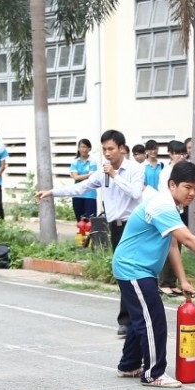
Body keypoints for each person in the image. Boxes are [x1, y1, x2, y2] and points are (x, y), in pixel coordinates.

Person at [113, 160, 195, 387]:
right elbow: (189, 241)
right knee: (154, 320)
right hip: (133, 268)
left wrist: (183, 280)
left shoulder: (170, 207)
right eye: (187, 187)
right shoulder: (161, 205)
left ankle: (129, 365)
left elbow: (172, 244)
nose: (192, 193)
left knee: (142, 318)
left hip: (140, 269)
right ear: (172, 185)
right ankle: (153, 374)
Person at [36, 128, 145, 336]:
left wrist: (114, 175)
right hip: (116, 227)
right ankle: (126, 320)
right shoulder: (102, 172)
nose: (108, 153)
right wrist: (51, 192)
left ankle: (135, 318)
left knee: (135, 272)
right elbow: (80, 188)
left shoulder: (134, 169)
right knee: (123, 272)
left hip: (134, 225)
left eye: (111, 148)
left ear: (122, 149)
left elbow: (135, 193)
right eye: (104, 149)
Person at [70, 139, 99, 222]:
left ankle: (90, 236)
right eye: (82, 147)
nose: (84, 149)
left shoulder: (92, 162)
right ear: (78, 148)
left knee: (90, 221)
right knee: (80, 221)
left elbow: (92, 178)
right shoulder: (75, 162)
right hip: (77, 193)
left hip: (90, 194)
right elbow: (76, 177)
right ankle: (81, 235)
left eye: (86, 147)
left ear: (90, 149)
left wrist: (80, 176)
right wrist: (89, 175)